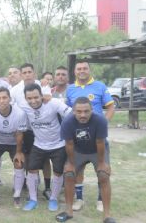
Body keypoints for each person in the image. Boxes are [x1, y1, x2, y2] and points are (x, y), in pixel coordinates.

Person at [56, 97, 115, 223]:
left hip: (97, 150)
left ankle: (107, 215)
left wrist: (101, 163)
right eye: (79, 111)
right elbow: (69, 144)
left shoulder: (100, 121)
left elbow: (100, 142)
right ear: (73, 111)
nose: (83, 115)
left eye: (86, 111)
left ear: (92, 110)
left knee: (103, 175)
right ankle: (68, 211)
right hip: (78, 151)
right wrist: (71, 164)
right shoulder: (67, 122)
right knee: (69, 175)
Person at [66, 61, 115, 212]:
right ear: (74, 71)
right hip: (78, 138)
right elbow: (68, 109)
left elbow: (111, 106)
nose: (82, 71)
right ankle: (79, 199)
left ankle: (101, 200)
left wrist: (103, 123)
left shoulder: (100, 86)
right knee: (77, 171)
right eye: (79, 69)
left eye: (85, 68)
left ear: (89, 70)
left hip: (97, 138)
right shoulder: (70, 88)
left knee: (101, 170)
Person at [20, 83, 72, 212]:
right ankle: (33, 199)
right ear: (25, 98)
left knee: (58, 172)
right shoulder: (23, 106)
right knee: (31, 170)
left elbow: (71, 115)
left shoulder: (53, 103)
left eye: (36, 97)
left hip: (58, 144)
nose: (33, 101)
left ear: (42, 95)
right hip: (39, 144)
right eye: (29, 98)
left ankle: (53, 199)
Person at [10, 63, 52, 200]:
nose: (27, 74)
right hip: (25, 129)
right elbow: (11, 108)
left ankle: (47, 187)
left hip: (42, 127)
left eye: (30, 72)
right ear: (21, 75)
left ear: (34, 73)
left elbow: (49, 101)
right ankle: (30, 183)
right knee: (27, 157)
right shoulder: (15, 90)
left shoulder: (43, 85)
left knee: (45, 159)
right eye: (24, 72)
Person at [0, 87, 27, 209]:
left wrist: (18, 152)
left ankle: (17, 196)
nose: (2, 101)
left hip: (14, 143)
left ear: (10, 99)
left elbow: (19, 134)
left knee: (19, 163)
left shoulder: (20, 113)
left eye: (4, 98)